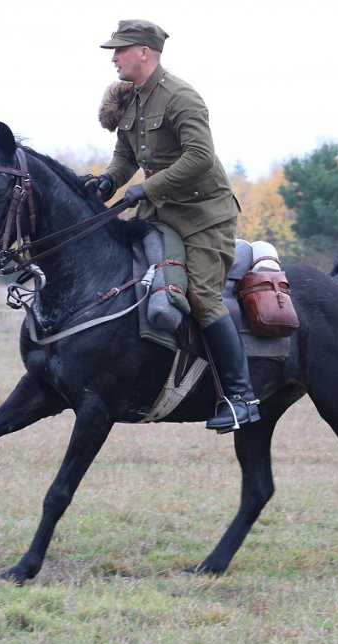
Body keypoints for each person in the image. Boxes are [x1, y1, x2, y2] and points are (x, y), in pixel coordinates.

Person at [87, 19, 256, 433]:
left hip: (204, 220)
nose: (113, 57)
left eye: (120, 50)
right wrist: (108, 181)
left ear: (144, 52)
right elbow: (124, 156)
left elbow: (200, 156)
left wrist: (145, 189)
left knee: (200, 297)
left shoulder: (182, 97)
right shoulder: (134, 101)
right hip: (159, 218)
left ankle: (240, 397)